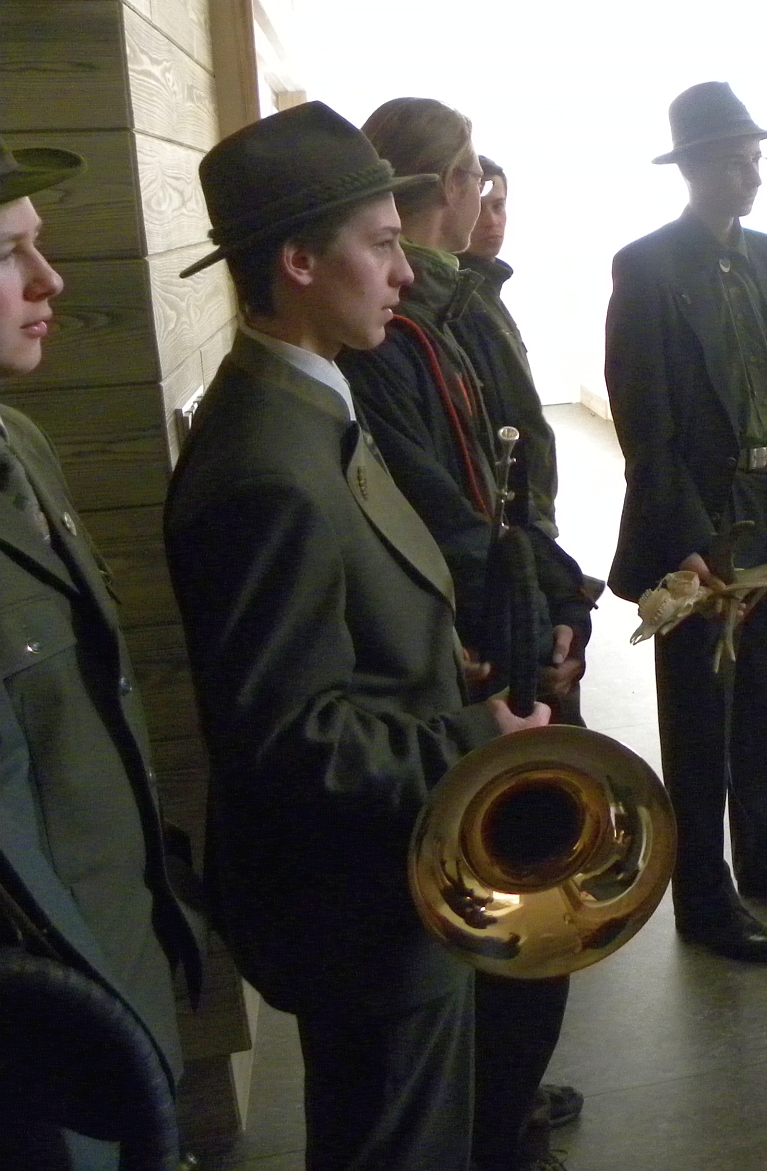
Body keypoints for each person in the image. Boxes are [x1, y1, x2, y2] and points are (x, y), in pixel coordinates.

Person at [165, 102, 551, 1171]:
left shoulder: (305, 400)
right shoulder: (264, 465)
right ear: (297, 262)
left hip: (390, 879)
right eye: (380, 245)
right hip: (360, 904)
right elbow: (291, 737)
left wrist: (444, 662)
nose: (404, 270)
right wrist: (474, 735)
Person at [340, 101, 589, 1169]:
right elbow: (450, 515)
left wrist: (559, 596)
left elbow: (507, 482)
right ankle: (498, 1126)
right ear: (448, 184)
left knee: (533, 920)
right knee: (515, 911)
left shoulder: (451, 308)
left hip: (510, 624)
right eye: (475, 174)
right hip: (481, 655)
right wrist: (535, 619)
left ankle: (507, 1100)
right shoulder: (400, 336)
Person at [605, 81, 767, 964]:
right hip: (701, 527)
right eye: (734, 162)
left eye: (756, 159)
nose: (752, 176)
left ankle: (765, 852)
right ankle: (704, 897)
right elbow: (646, 428)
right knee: (699, 722)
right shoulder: (647, 269)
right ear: (692, 169)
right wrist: (686, 543)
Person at [0, 139, 200, 1169]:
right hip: (40, 1041)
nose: (51, 280)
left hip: (124, 964)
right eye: (10, 253)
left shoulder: (21, 444)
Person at [457, 156, 562, 540]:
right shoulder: (456, 302)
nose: (491, 221)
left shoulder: (485, 291)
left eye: (499, 206)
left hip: (530, 507)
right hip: (508, 512)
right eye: (480, 207)